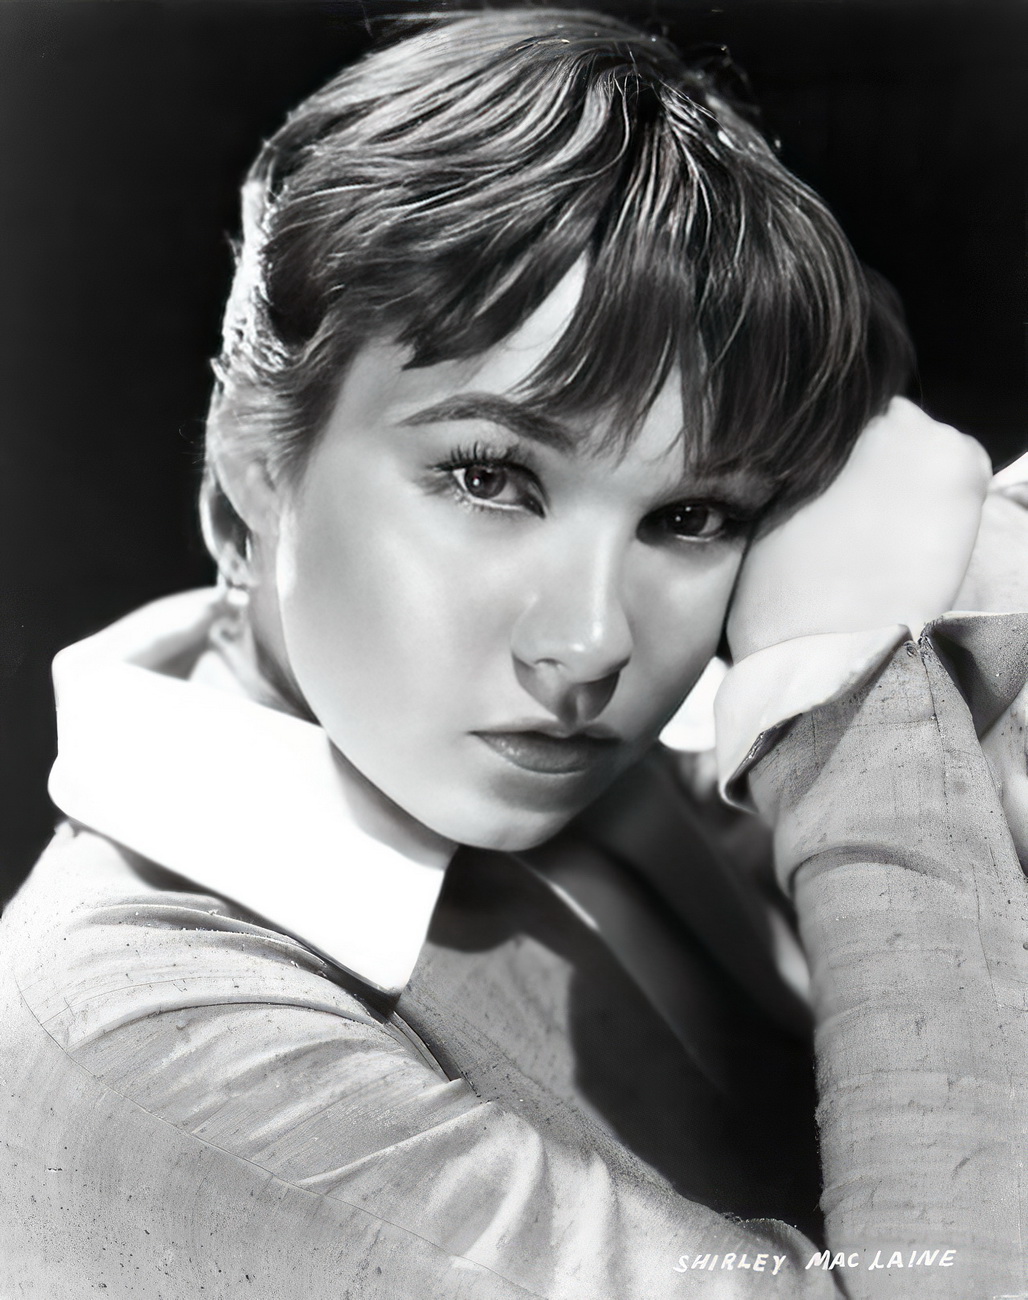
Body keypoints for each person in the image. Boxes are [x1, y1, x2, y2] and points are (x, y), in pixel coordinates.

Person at [1, 8, 1026, 1296]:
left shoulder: (655, 771)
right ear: (258, 457)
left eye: (690, 516)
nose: (589, 645)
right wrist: (857, 711)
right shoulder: (152, 1047)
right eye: (489, 477)